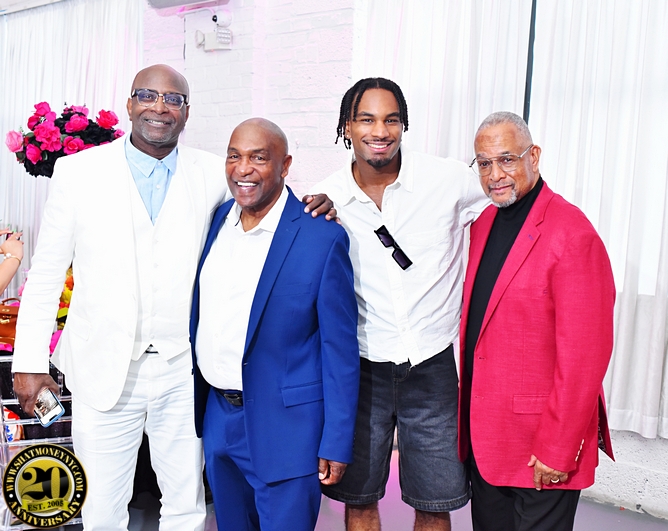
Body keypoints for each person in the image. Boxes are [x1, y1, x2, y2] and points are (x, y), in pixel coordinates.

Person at [11, 64, 334, 531]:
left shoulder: (212, 172)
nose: (159, 107)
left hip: (183, 373)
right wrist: (28, 361)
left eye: (173, 99)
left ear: (186, 112)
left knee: (186, 506)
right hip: (102, 368)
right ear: (129, 104)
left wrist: (314, 205)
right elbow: (45, 274)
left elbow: (264, 195)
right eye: (147, 95)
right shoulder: (78, 172)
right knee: (101, 509)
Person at [311, 78, 489, 531]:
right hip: (362, 369)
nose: (380, 131)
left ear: (403, 124)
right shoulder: (327, 198)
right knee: (360, 500)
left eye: (391, 119)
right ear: (347, 127)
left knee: (435, 502)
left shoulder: (448, 180)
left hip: (432, 365)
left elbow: (504, 204)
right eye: (366, 119)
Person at [190, 117, 359, 531]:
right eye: (234, 156)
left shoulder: (322, 237)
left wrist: (336, 441)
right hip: (219, 419)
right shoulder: (216, 220)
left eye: (258, 158)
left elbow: (339, 350)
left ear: (285, 166)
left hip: (288, 430)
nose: (243, 169)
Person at [459, 111, 615, 531]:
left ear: (534, 156)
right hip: (488, 441)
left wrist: (558, 448)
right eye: (484, 163)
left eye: (506, 159)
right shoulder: (483, 224)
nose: (495, 174)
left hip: (541, 448)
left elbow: (585, 358)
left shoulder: (573, 234)